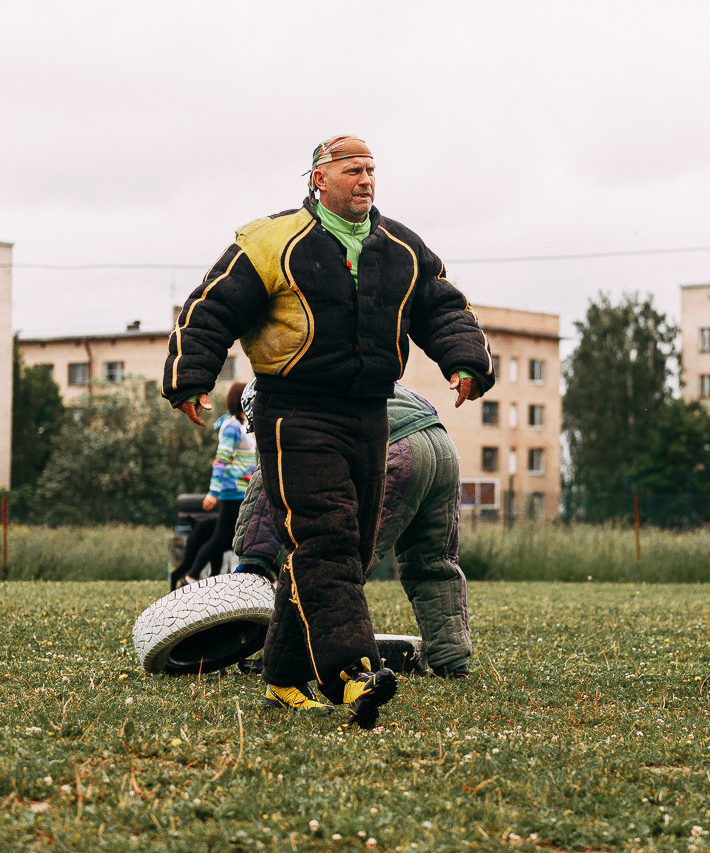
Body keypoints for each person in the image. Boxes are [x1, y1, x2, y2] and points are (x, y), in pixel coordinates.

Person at [163, 135, 494, 729]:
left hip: (371, 411)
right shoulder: (270, 241)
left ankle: (285, 677)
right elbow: (210, 309)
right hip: (295, 412)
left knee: (348, 545)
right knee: (327, 540)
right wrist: (190, 375)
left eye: (371, 170)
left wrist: (464, 359)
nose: (365, 179)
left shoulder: (401, 246)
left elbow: (442, 307)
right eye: (352, 170)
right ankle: (350, 673)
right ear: (319, 179)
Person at [233, 379, 472, 678]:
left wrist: (252, 560)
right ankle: (452, 660)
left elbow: (265, 488)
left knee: (335, 565)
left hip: (396, 446)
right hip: (442, 446)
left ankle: (295, 664)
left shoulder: (284, 409)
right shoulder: (323, 377)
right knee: (434, 563)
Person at [172, 382, 256, 588]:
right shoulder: (232, 426)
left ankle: (190, 577)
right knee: (244, 538)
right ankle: (266, 579)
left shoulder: (245, 425)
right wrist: (213, 491)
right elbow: (221, 459)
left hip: (241, 490)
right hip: (234, 491)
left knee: (220, 539)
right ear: (242, 399)